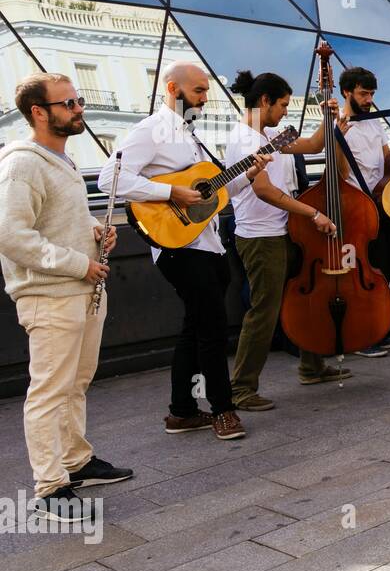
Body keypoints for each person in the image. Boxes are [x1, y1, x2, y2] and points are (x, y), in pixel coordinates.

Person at [103, 62, 271, 441]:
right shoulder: (151, 131)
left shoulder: (189, 136)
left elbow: (214, 196)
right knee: (211, 329)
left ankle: (181, 411)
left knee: (195, 328)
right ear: (173, 88)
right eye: (198, 91)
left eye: (206, 90)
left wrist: (250, 174)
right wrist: (170, 192)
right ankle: (224, 411)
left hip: (206, 243)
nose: (204, 98)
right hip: (178, 247)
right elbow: (109, 178)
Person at [0, 73, 134, 523]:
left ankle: (77, 461)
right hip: (51, 295)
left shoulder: (64, 161)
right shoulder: (22, 163)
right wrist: (80, 263)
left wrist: (96, 233)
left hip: (82, 290)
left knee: (75, 384)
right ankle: (49, 486)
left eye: (78, 100)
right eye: (68, 103)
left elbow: (55, 222)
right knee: (49, 392)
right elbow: (11, 235)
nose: (79, 108)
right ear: (39, 112)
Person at [226, 70, 349, 412]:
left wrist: (328, 116)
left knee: (304, 297)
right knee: (263, 312)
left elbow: (312, 144)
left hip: (282, 231)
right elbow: (263, 189)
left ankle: (311, 366)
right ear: (264, 101)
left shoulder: (265, 134)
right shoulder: (245, 139)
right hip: (260, 237)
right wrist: (312, 213)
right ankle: (242, 389)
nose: (284, 112)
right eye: (282, 104)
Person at [335, 66, 390, 357]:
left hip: (378, 204)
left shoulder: (373, 123)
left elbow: (388, 159)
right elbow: (339, 172)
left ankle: (377, 328)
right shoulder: (339, 126)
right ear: (347, 91)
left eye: (372, 93)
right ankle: (360, 335)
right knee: (358, 271)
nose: (369, 99)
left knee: (379, 268)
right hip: (353, 207)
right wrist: (335, 137)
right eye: (363, 93)